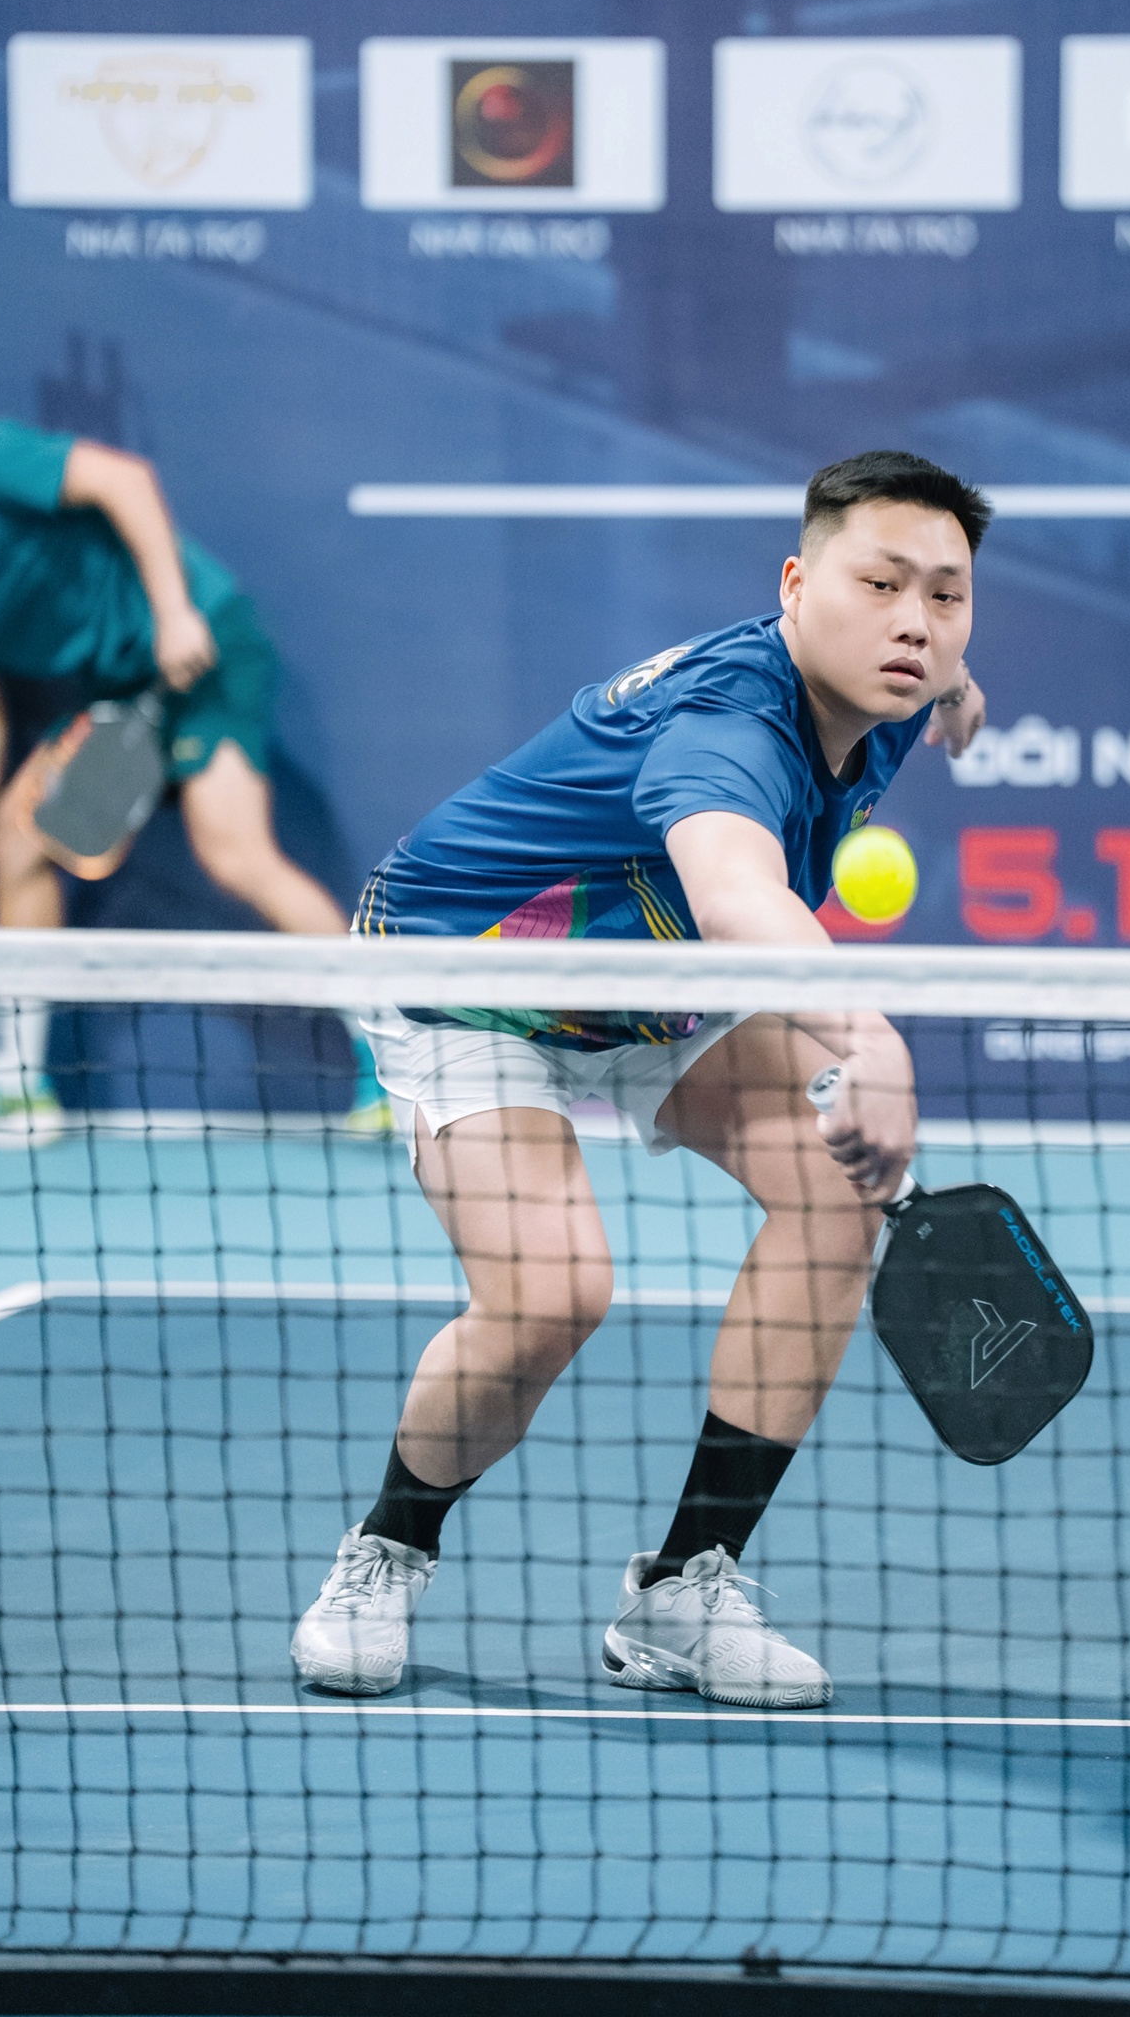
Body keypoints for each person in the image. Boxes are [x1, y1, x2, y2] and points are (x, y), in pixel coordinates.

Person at [291, 449, 989, 1707]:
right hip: (474, 976)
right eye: (881, 584)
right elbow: (733, 896)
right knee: (552, 1294)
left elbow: (933, 664)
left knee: (836, 1194)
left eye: (945, 597)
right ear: (795, 586)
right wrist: (868, 1038)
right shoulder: (725, 730)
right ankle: (388, 1548)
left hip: (653, 988)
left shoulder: (894, 682)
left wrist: (956, 692)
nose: (914, 622)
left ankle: (683, 1588)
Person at [0, 417, 388, 1137]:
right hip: (125, 687)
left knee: (237, 857)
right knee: (14, 847)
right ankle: (15, 1083)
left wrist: (173, 615)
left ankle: (392, 1064)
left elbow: (124, 480)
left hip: (208, 642)